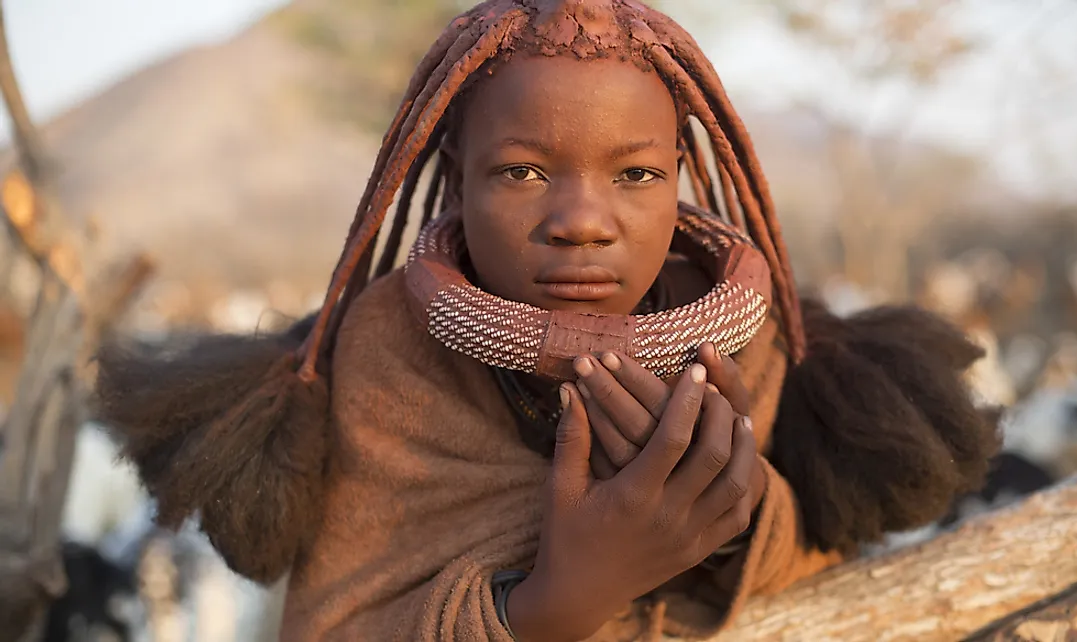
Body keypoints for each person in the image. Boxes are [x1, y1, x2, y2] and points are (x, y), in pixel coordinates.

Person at [94, 1, 1001, 640]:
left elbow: (819, 570)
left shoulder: (739, 338)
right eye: (522, 172)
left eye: (636, 175)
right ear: (457, 173)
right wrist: (554, 606)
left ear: (682, 175)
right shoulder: (392, 354)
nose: (581, 219)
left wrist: (737, 515)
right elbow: (336, 626)